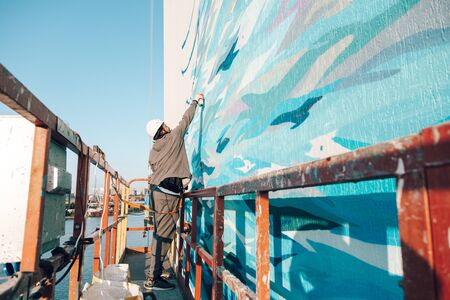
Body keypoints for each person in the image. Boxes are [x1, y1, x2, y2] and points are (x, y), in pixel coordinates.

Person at [143, 93, 204, 291]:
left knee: (160, 233)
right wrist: (196, 100)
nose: (167, 125)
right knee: (164, 235)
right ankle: (153, 278)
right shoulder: (174, 137)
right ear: (162, 129)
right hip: (168, 195)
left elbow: (154, 168)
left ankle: (156, 271)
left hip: (157, 192)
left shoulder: (153, 150)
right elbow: (186, 119)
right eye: (164, 124)